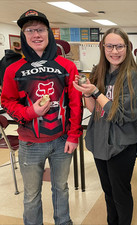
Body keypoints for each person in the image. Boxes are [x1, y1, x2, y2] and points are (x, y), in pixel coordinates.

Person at [1, 9, 82, 225]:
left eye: (40, 29)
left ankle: (63, 222)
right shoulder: (13, 70)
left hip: (62, 140)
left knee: (61, 188)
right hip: (30, 142)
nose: (36, 35)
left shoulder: (67, 67)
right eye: (30, 30)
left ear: (48, 33)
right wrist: (30, 112)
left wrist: (74, 136)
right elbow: (7, 100)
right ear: (24, 36)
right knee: (31, 195)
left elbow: (75, 103)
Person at [73, 27, 137, 225]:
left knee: (120, 193)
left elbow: (123, 115)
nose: (115, 51)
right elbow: (94, 110)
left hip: (121, 146)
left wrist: (96, 92)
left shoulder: (131, 75)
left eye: (119, 46)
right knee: (108, 192)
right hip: (100, 142)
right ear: (103, 48)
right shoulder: (99, 72)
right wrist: (86, 93)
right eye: (110, 46)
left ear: (127, 48)